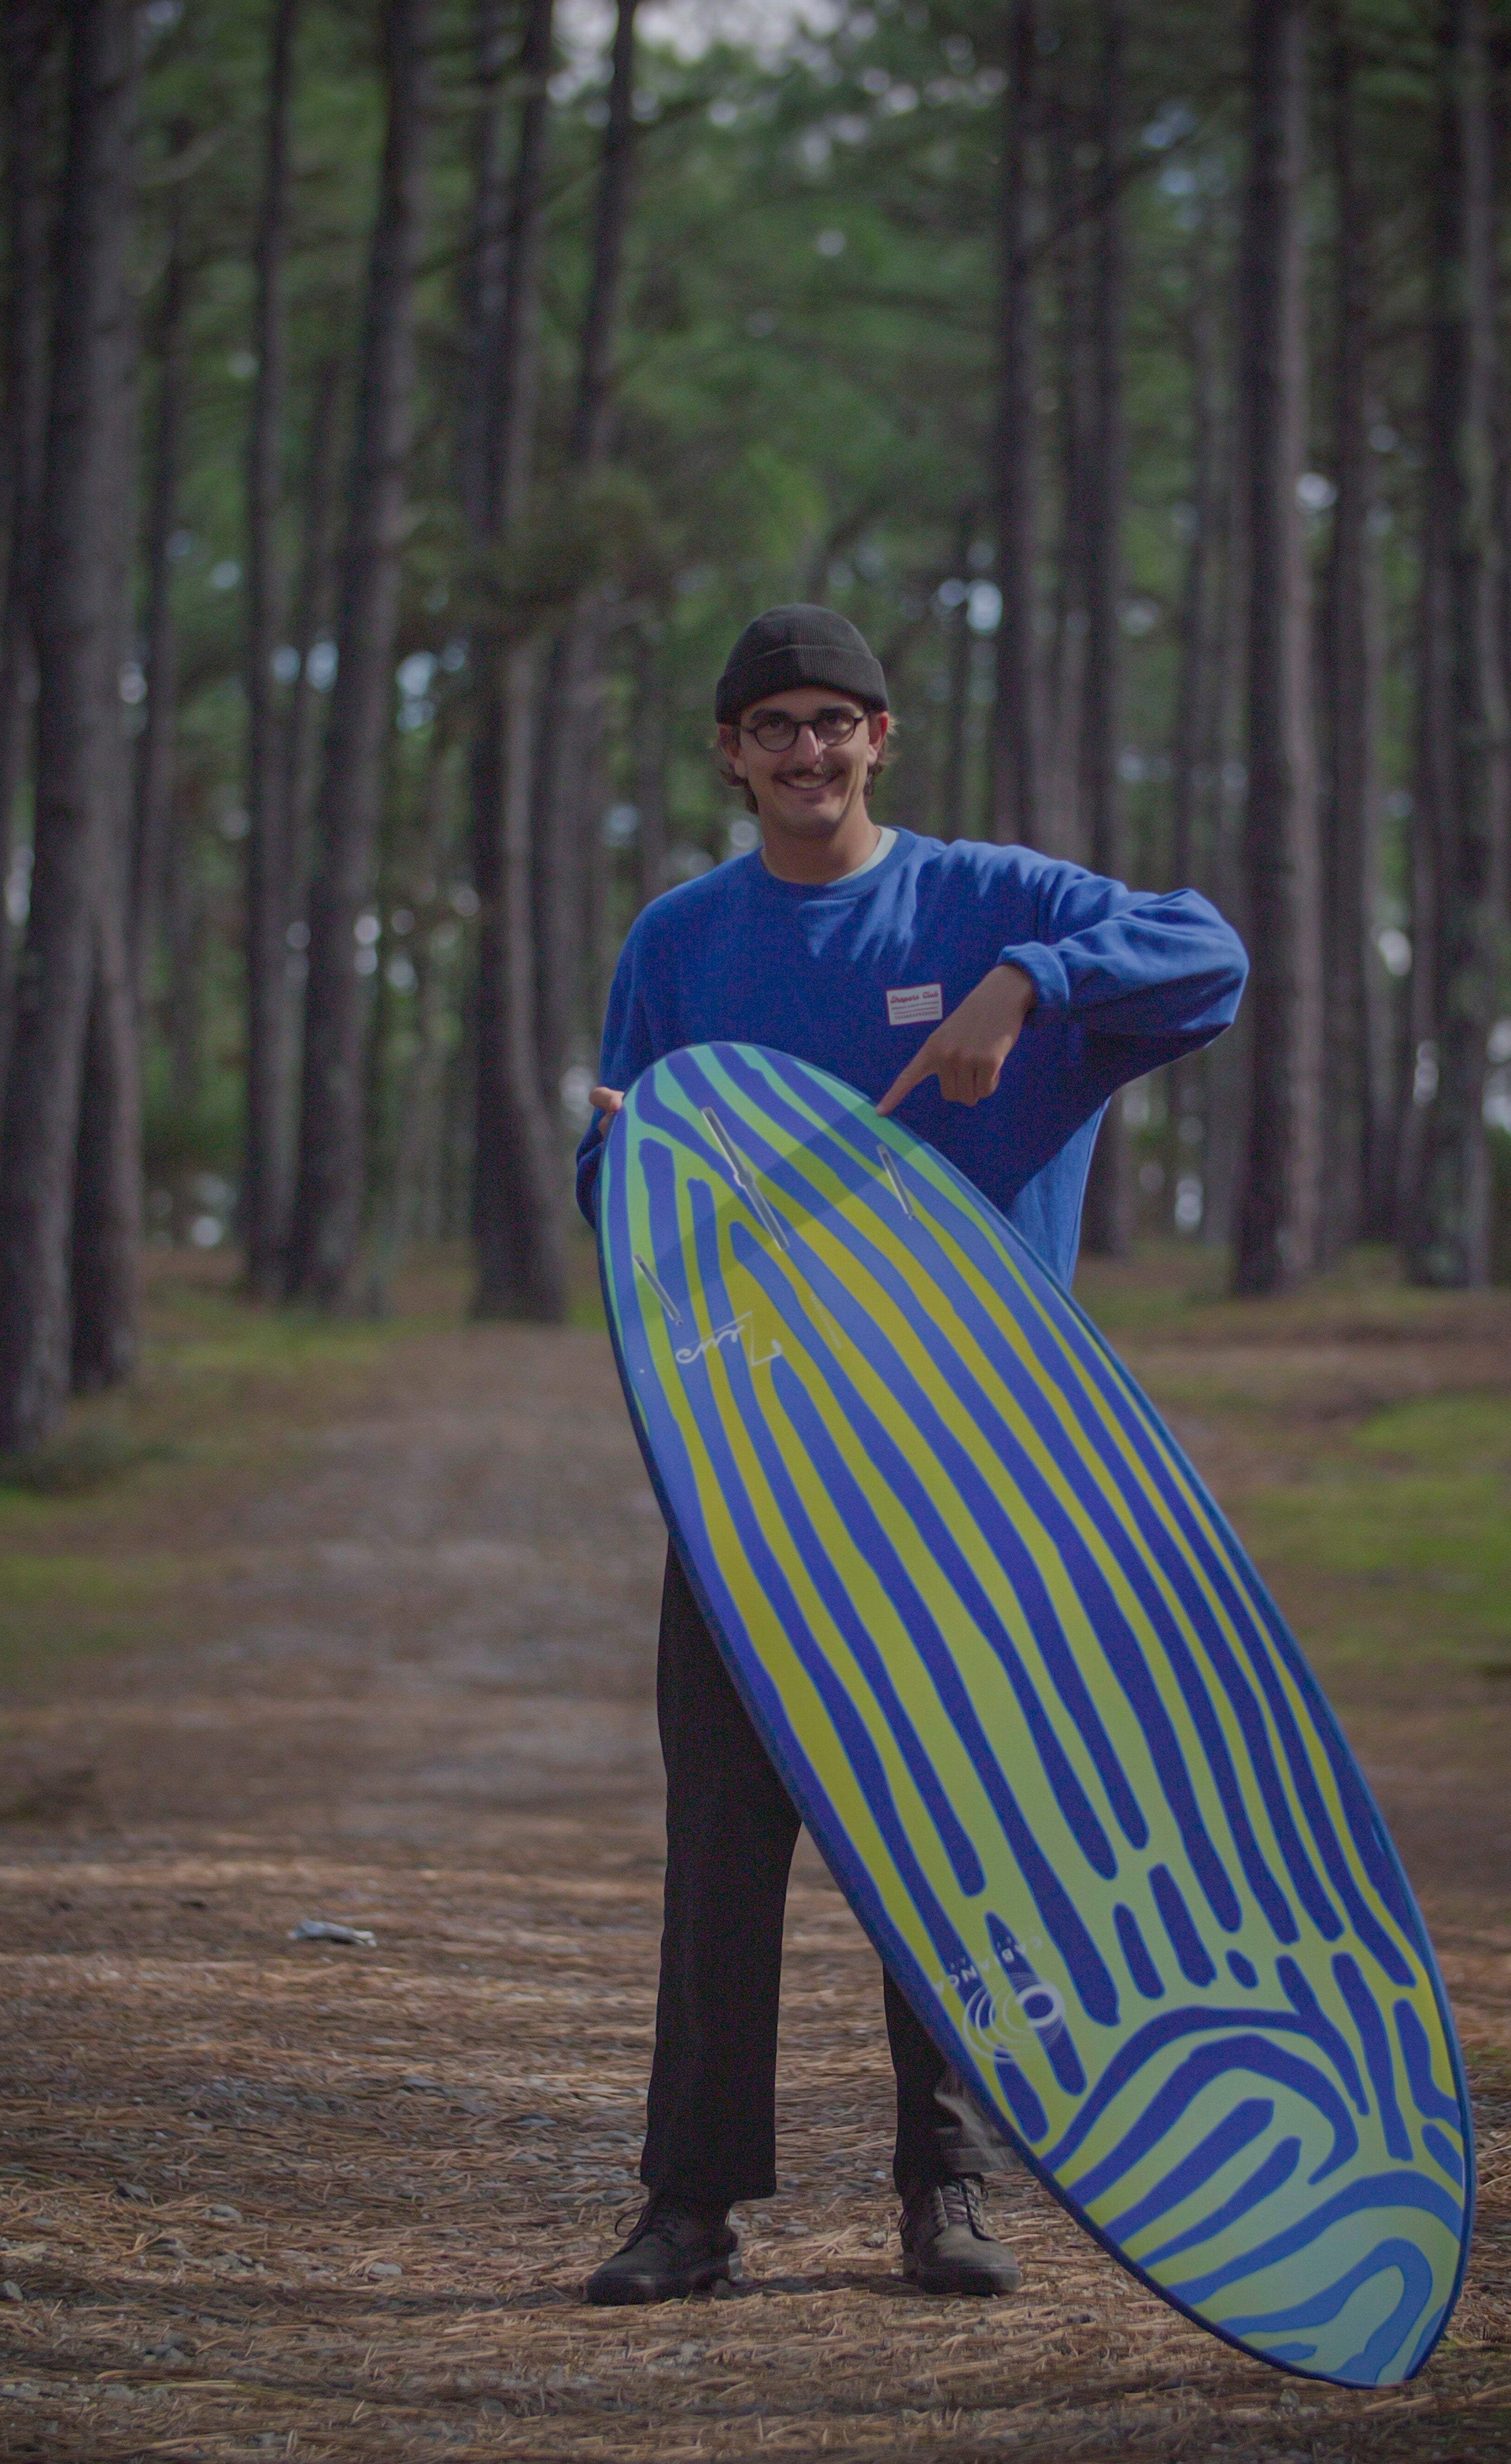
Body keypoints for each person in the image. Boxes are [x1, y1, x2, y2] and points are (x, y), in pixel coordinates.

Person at [575, 604, 1247, 2306]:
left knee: (956, 1839)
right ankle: (689, 2207)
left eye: (836, 720)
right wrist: (632, 1172)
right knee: (726, 1842)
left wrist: (1032, 984)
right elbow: (626, 1173)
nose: (808, 750)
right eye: (773, 725)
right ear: (733, 753)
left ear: (884, 736)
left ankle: (945, 2189)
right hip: (758, 1474)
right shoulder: (680, 937)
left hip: (970, 1471)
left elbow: (1212, 955)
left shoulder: (992, 903)